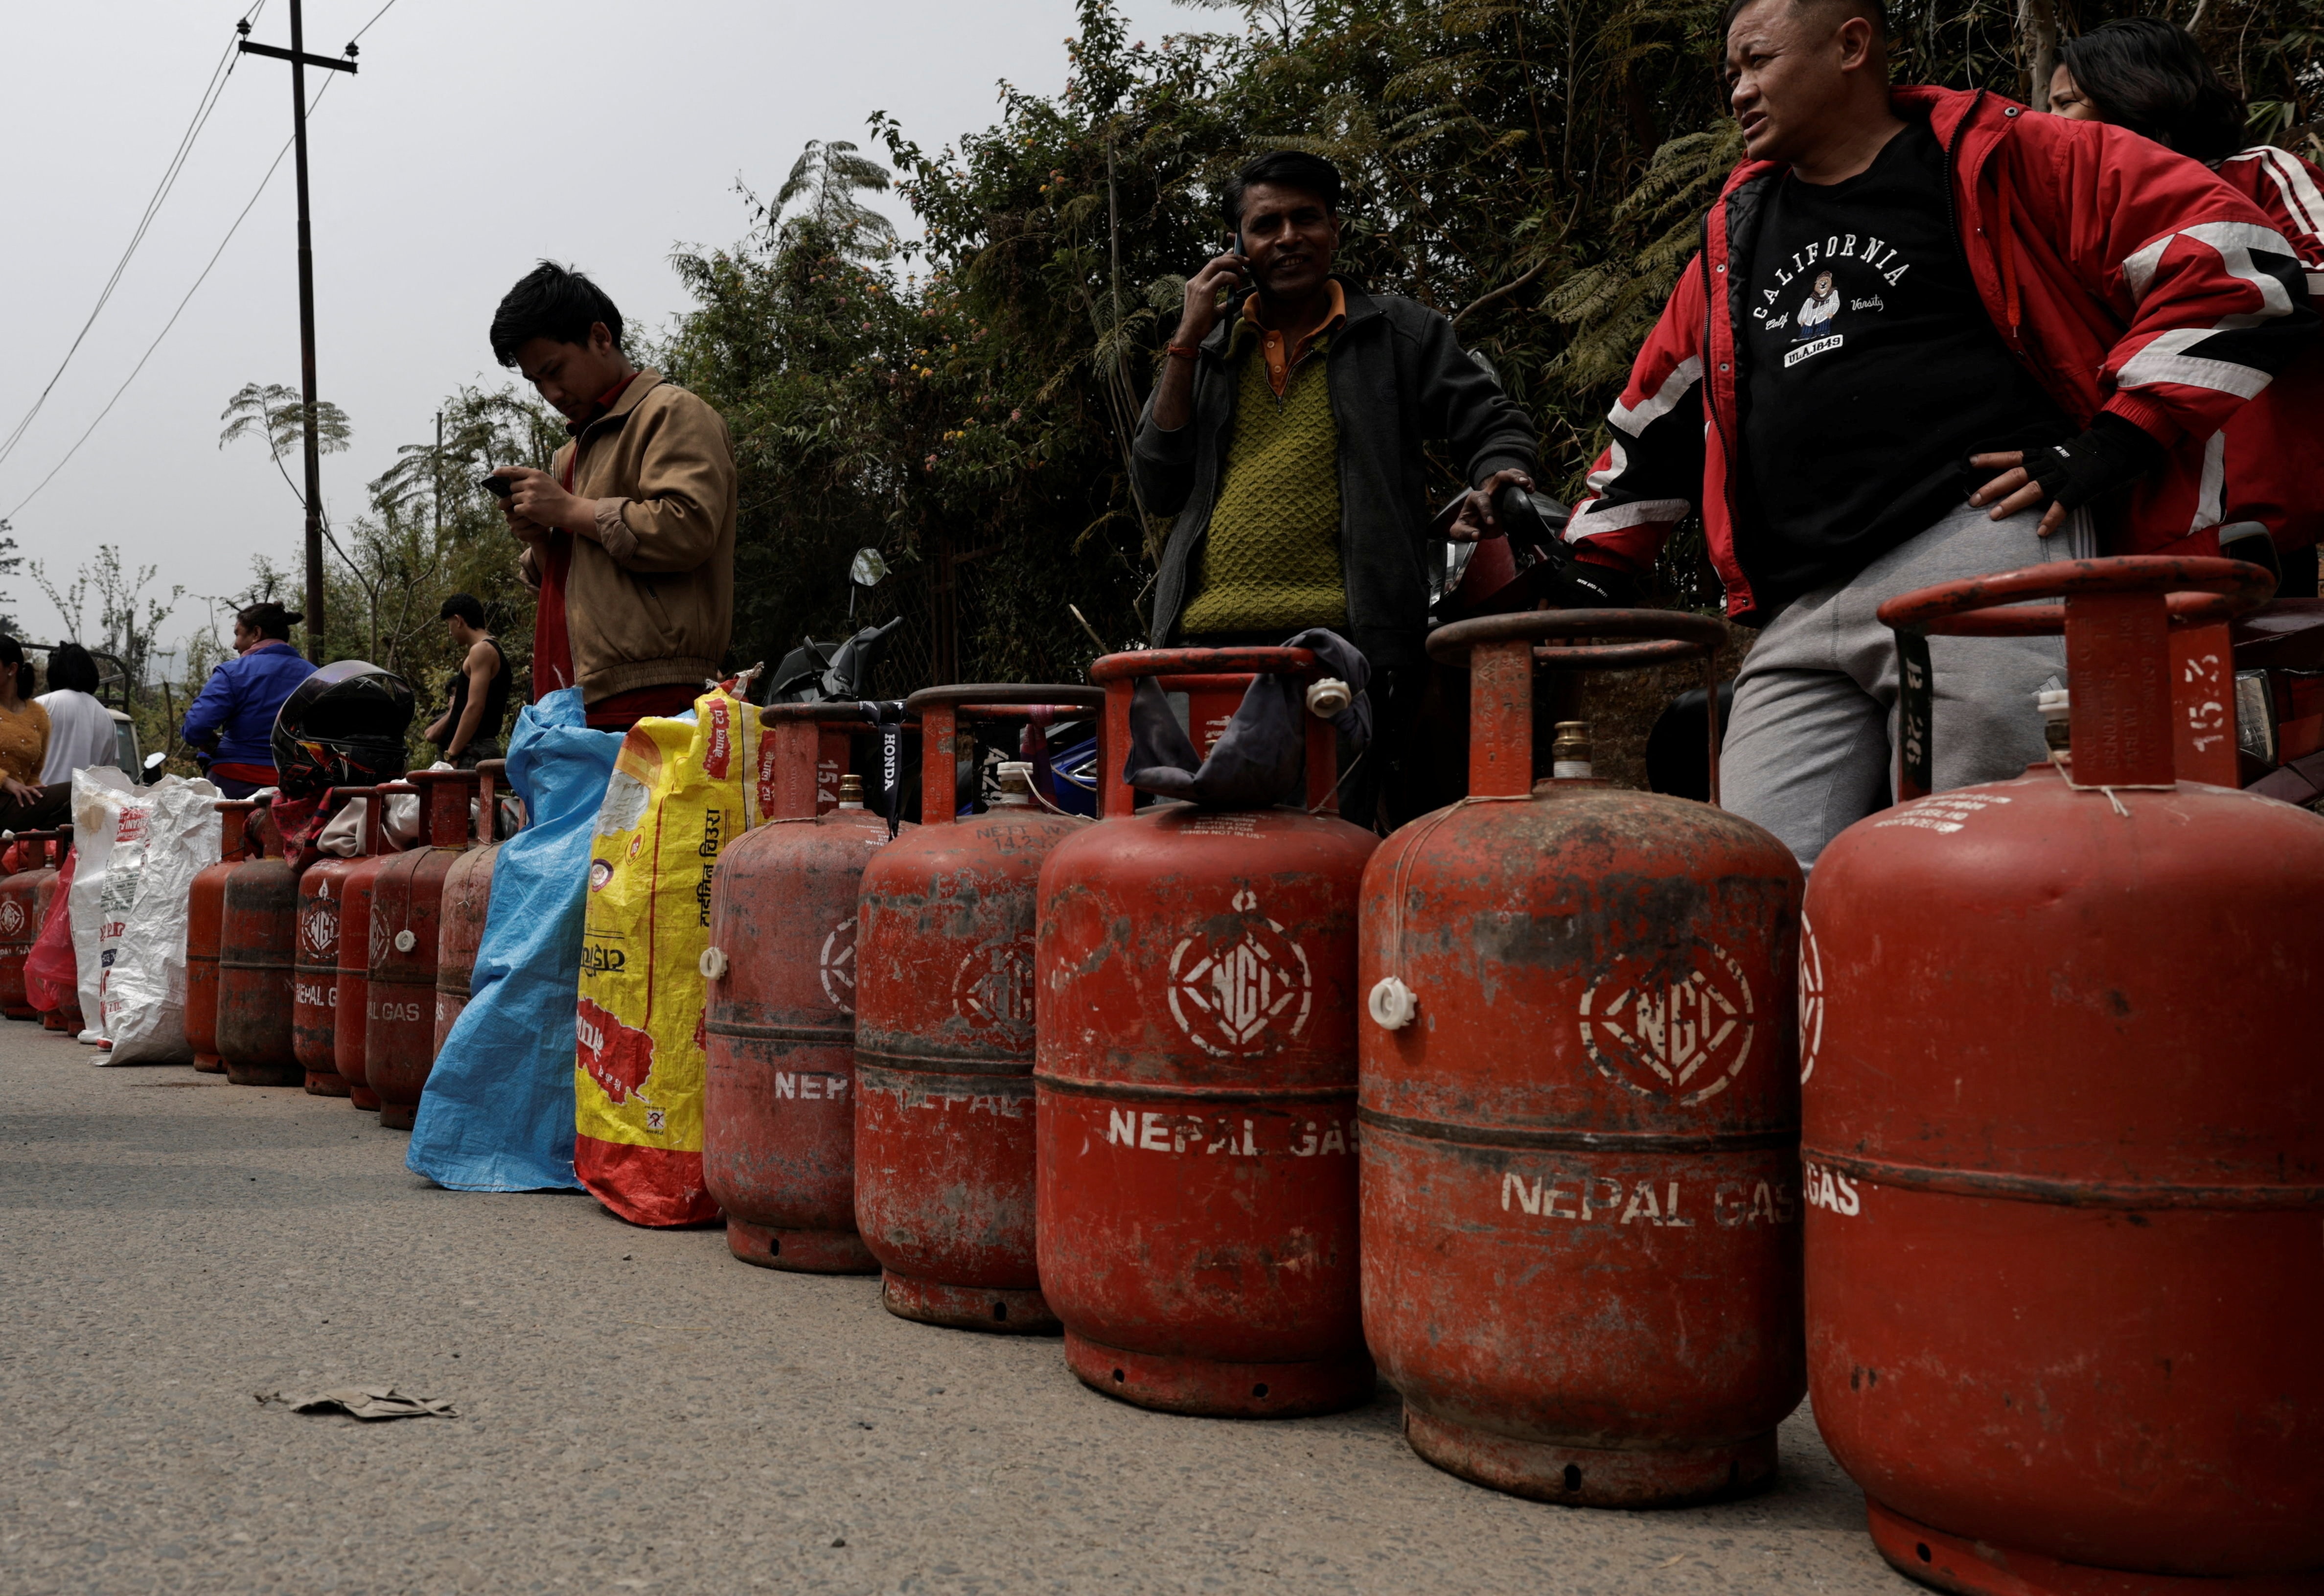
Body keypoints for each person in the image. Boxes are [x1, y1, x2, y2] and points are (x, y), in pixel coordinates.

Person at [1563, 0, 2316, 867]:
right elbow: (1656, 407)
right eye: (1730, 73)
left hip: (1976, 547)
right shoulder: (1735, 229)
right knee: (1756, 878)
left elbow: (2233, 257)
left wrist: (2115, 437)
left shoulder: (1999, 153)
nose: (1738, 92)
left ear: (1850, 45)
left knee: (1995, 856)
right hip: (1798, 598)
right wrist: (1590, 570)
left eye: (1756, 62)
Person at [1132, 151, 1548, 829]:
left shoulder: (1397, 333)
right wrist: (1185, 338)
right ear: (1239, 245)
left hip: (1343, 650)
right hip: (1197, 650)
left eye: (1307, 219)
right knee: (1195, 849)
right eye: (1267, 224)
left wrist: (1497, 475)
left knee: (1327, 847)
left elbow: (1492, 419)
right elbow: (1155, 480)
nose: (1289, 237)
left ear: (1335, 230)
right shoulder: (1209, 351)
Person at [2049, 18, 2324, 591]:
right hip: (2112, 523)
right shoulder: (2067, 234)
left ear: (2135, 90)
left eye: (2068, 103)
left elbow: (2318, 278)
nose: (2049, 126)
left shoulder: (2256, 174)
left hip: (2251, 523)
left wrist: (2222, 266)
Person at [487, 262, 737, 733]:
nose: (550, 393)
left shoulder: (672, 413)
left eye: (554, 370)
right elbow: (584, 582)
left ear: (601, 337)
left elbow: (687, 529)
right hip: (568, 700)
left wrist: (568, 509)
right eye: (536, 382)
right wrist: (543, 539)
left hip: (655, 692)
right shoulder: (571, 454)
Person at [181, 602, 318, 798]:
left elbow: (195, 728)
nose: (235, 644)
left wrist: (212, 744)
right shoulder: (316, 677)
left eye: (238, 634)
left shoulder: (232, 673)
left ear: (256, 633)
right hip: (296, 787)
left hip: (234, 782)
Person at [421, 595, 510, 767]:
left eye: (449, 625)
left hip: (472, 751)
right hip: (472, 749)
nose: (450, 632)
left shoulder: (482, 650)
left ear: (458, 620)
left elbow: (475, 707)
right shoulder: (490, 649)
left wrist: (452, 753)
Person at [0, 636, 69, 829]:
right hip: (4, 798)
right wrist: (6, 782)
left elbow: (34, 772)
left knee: (82, 796)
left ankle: (34, 843)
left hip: (15, 806)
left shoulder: (38, 715)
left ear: (11, 669)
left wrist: (33, 792)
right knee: (75, 790)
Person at [36, 643, 118, 785]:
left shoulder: (42, 706)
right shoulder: (106, 717)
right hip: (85, 804)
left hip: (40, 802)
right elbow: (109, 773)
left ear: (54, 672)